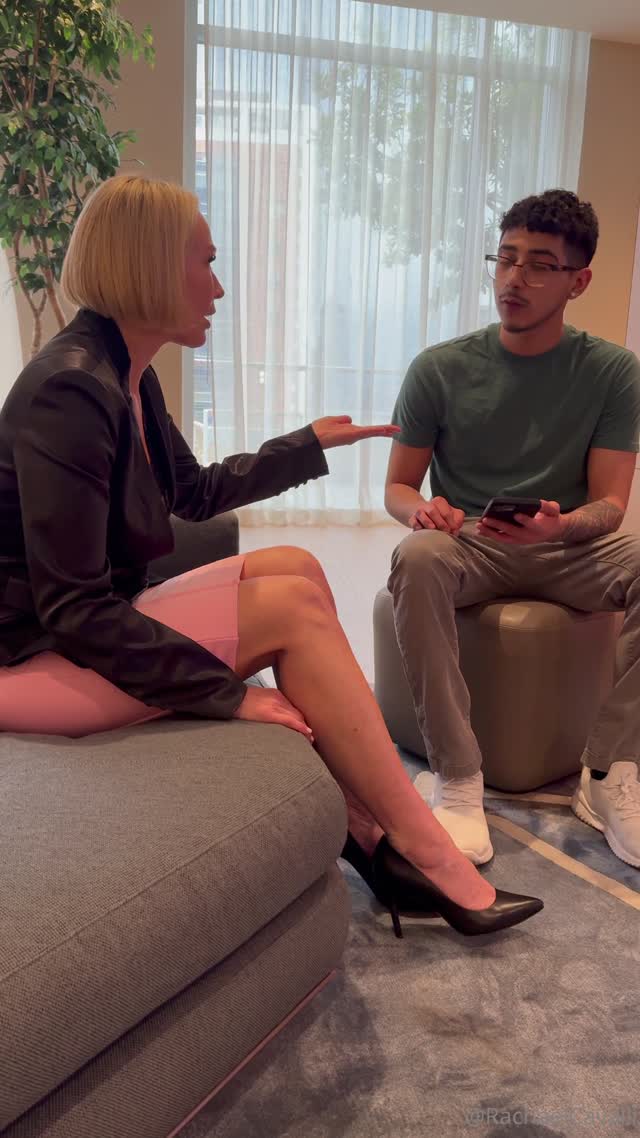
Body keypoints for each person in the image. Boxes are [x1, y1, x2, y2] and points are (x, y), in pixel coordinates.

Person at [0, 175, 541, 938]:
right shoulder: (71, 390)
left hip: (71, 634)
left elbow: (192, 491)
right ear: (151, 265)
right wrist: (228, 694)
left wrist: (307, 444)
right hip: (24, 662)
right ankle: (426, 855)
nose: (218, 288)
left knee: (294, 566)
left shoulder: (125, 373)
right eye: (206, 263)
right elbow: (72, 608)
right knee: (288, 607)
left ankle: (369, 831)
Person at [386, 188, 640, 871]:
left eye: (539, 265)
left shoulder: (613, 372)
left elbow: (612, 503)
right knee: (417, 556)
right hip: (471, 542)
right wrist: (423, 512)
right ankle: (458, 778)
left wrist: (564, 525)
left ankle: (609, 771)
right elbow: (398, 487)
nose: (513, 279)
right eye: (505, 258)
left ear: (578, 281)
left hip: (567, 546)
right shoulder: (439, 368)